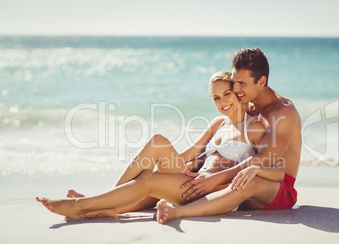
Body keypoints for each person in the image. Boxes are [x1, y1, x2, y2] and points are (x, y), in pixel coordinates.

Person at [36, 71, 282, 219]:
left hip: (206, 191)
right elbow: (189, 154)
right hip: (193, 178)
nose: (221, 102)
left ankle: (83, 205)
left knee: (147, 181)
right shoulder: (218, 123)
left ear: (237, 94)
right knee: (158, 143)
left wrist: (217, 179)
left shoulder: (255, 127)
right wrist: (179, 166)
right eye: (215, 98)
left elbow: (270, 165)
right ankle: (106, 201)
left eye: (226, 95)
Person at [155, 47, 301, 223]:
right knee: (186, 180)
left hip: (277, 186)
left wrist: (215, 179)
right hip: (242, 174)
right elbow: (224, 146)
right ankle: (126, 201)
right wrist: (193, 164)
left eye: (242, 84)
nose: (236, 89)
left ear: (261, 81)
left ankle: (178, 213)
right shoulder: (247, 104)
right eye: (235, 82)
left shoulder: (283, 113)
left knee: (243, 181)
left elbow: (264, 160)